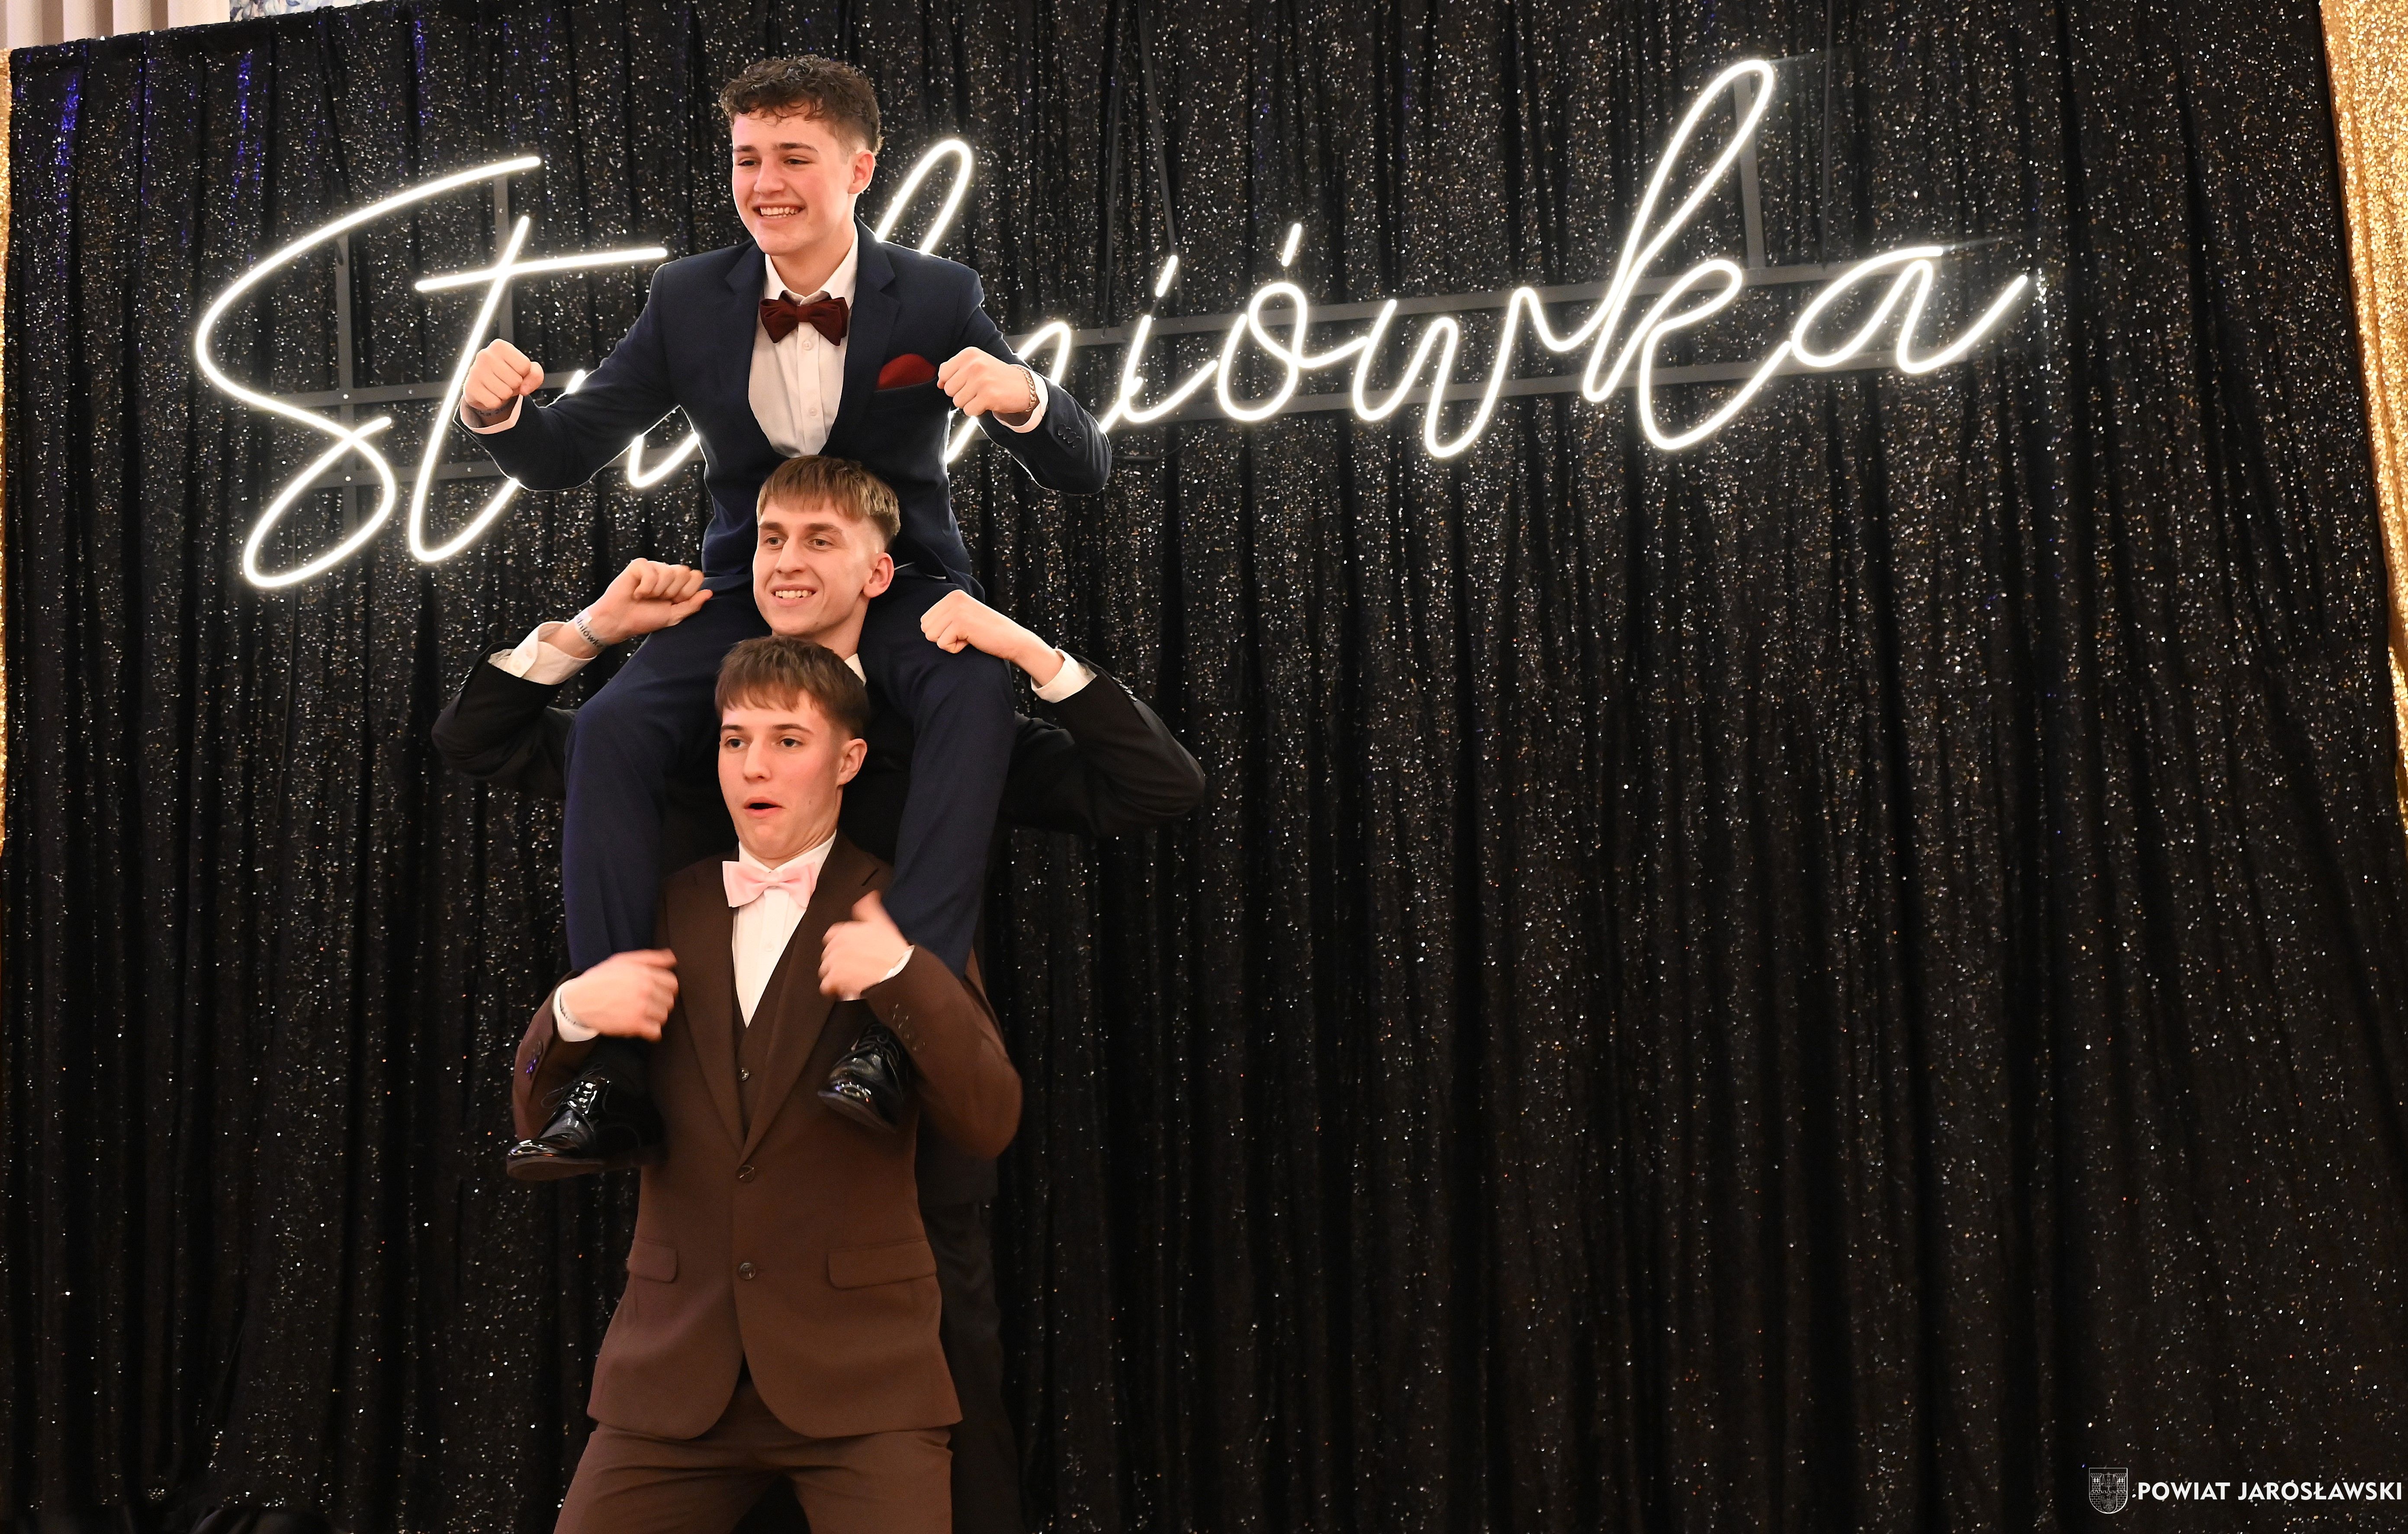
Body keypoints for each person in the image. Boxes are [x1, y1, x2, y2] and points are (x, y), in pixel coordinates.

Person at [437, 454, 1202, 1534]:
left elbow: (1157, 787)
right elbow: (479, 740)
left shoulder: (940, 728)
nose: (760, 766)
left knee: (953, 1440)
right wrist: (591, 632)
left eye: (820, 540)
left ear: (880, 573)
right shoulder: (692, 739)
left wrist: (1032, 656)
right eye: (771, 539)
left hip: (902, 1159)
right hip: (713, 1181)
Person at [459, 55, 1110, 1136]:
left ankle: (895, 1029)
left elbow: (1081, 470)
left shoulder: (937, 295)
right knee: (612, 725)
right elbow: (562, 453)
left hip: (899, 582)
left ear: (858, 170)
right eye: (747, 158)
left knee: (972, 698)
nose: (765, 183)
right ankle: (613, 1064)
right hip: (745, 585)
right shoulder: (685, 299)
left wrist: (1025, 397)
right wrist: (498, 416)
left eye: (794, 158)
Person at [515, 635, 1016, 1533]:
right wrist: (570, 1012)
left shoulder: (903, 912)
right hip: (668, 1383)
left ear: (848, 760)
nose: (755, 764)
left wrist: (902, 976)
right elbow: (536, 1116)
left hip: (867, 1386)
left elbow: (988, 1121)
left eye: (788, 740)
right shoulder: (657, 908)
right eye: (734, 739)